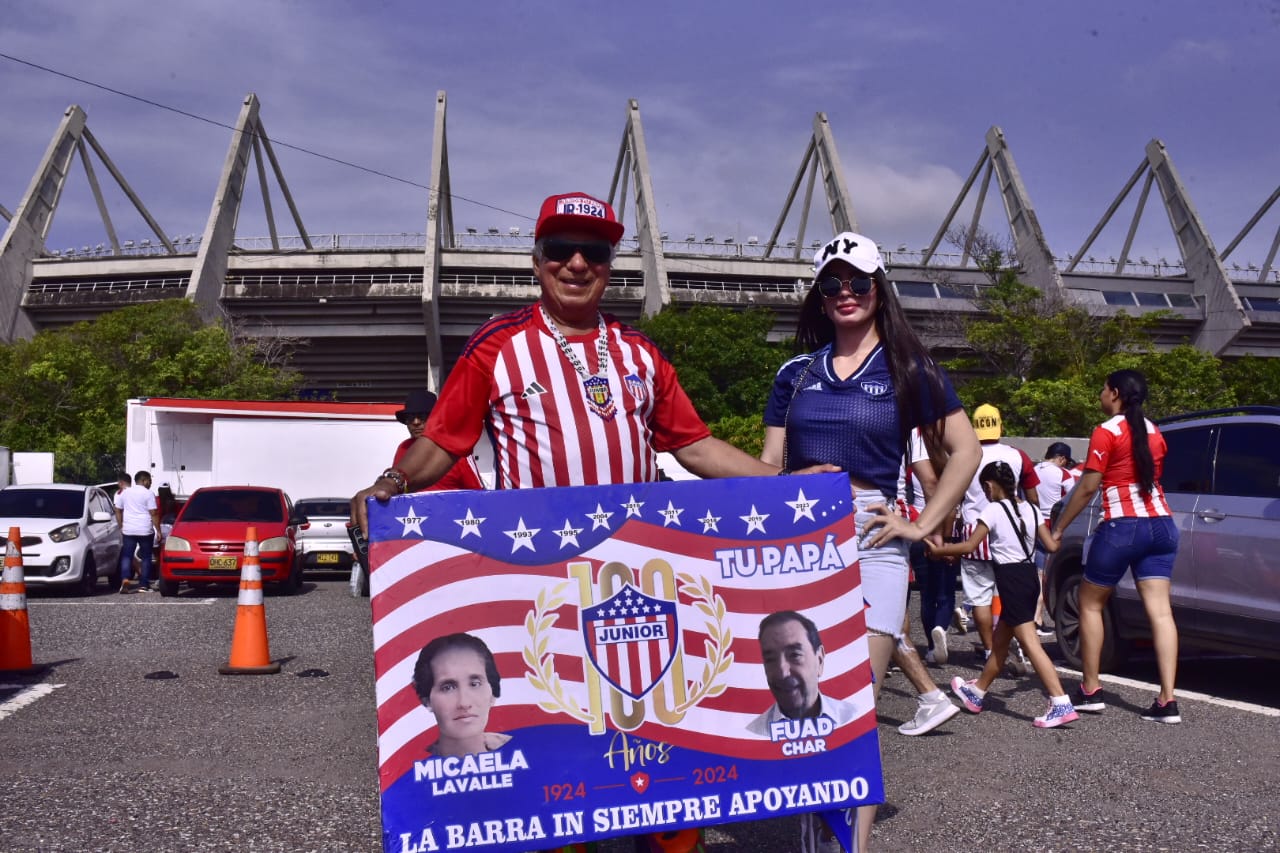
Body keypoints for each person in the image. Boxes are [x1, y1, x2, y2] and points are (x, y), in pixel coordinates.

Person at [354, 190, 833, 853]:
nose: (577, 262)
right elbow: (444, 442)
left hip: (639, 594)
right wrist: (393, 481)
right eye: (561, 249)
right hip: (541, 595)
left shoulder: (639, 352)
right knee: (560, 776)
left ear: (611, 265)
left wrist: (782, 486)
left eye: (595, 251)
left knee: (667, 779)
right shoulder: (498, 346)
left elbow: (693, 445)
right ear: (537, 260)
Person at [761, 231, 982, 852]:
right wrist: (785, 484)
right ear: (819, 295)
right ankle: (817, 839)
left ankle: (849, 846)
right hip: (797, 538)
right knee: (808, 710)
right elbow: (768, 463)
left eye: (858, 281)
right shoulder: (794, 373)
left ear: (879, 289)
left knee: (853, 708)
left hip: (873, 538)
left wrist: (922, 524)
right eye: (832, 284)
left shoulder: (911, 368)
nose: (845, 293)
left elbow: (966, 452)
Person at [1051, 369, 1181, 723]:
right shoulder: (1155, 432)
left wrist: (1059, 527)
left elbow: (1089, 486)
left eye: (1103, 389)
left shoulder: (1105, 431)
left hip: (1123, 526)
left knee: (1090, 605)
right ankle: (1167, 701)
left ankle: (1091, 690)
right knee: (1161, 612)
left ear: (1116, 394)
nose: (1100, 394)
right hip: (1163, 525)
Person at [929, 461, 1079, 728]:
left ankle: (1060, 702)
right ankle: (976, 693)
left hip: (1009, 580)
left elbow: (970, 545)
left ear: (989, 486)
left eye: (984, 488)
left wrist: (939, 551)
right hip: (1030, 578)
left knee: (1031, 644)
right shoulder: (1032, 510)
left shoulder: (993, 510)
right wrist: (1059, 529)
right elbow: (1052, 546)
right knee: (1000, 644)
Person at [955, 404, 1040, 664]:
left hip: (975, 530)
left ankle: (991, 648)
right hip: (1011, 530)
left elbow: (953, 496)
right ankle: (1018, 645)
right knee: (1003, 592)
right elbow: (1032, 492)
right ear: (1000, 425)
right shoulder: (1017, 455)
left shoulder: (965, 455)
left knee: (979, 596)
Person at [747, 610, 858, 737]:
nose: (783, 673)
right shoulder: (754, 735)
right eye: (770, 659)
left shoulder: (852, 719)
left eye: (794, 655)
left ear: (820, 659)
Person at [413, 633, 512, 756]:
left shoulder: (520, 749)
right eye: (448, 688)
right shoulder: (411, 766)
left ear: (492, 693)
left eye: (475, 684)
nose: (464, 703)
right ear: (427, 700)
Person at [393, 390, 484, 491]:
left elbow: (478, 493)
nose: (416, 422)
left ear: (435, 418)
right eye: (410, 418)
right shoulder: (403, 448)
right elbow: (397, 488)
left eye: (423, 417)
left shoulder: (458, 449)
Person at [1031, 442, 1078, 633]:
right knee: (1045, 575)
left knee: (1035, 573)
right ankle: (1037, 618)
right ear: (1062, 458)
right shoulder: (1064, 475)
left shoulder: (1033, 470)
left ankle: (1033, 617)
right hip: (1051, 526)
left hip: (1031, 523)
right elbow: (1072, 500)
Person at [116, 470, 160, 592]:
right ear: (144, 480)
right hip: (145, 530)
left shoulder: (125, 493)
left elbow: (118, 510)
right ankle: (143, 585)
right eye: (149, 481)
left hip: (129, 529)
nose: (150, 483)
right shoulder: (149, 493)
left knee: (127, 556)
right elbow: (153, 513)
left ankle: (125, 579)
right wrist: (158, 530)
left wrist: (121, 526)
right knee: (146, 557)